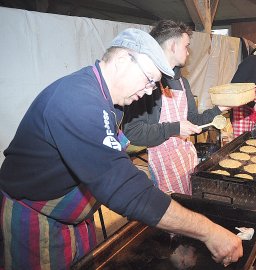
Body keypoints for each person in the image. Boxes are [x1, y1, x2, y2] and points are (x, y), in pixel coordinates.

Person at [0, 28, 242, 269]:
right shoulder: (78, 101)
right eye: (149, 80)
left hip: (73, 218)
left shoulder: (105, 99)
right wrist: (209, 232)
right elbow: (122, 188)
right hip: (37, 219)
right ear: (123, 61)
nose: (150, 91)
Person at [123, 20, 229, 195]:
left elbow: (193, 121)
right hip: (163, 163)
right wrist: (175, 128)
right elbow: (133, 132)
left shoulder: (182, 82)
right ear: (172, 45)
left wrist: (219, 108)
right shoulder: (145, 82)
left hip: (186, 158)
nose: (188, 52)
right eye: (186, 46)